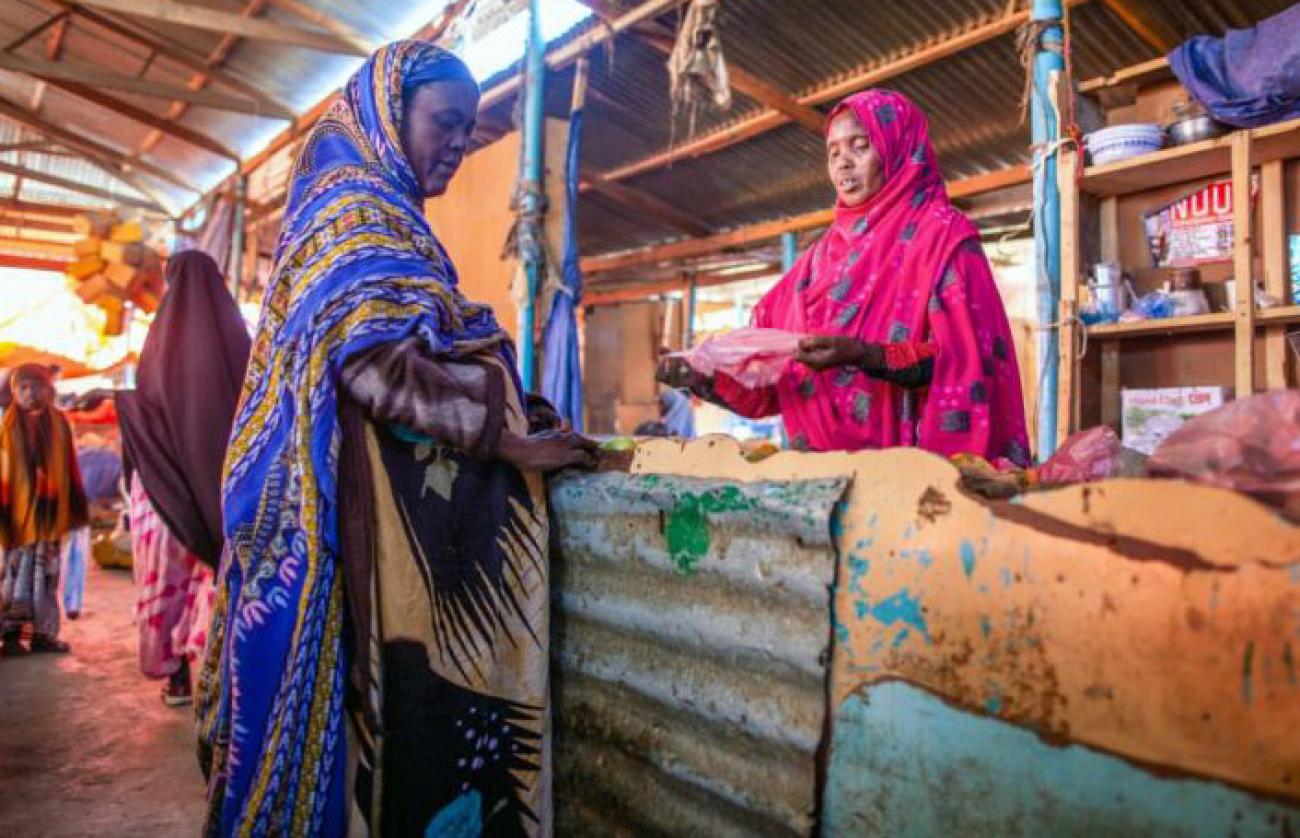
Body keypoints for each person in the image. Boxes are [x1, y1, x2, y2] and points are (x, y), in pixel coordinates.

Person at [199, 41, 596, 837]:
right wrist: (508, 442)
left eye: (469, 131)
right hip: (327, 514)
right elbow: (371, 362)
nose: (457, 145)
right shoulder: (356, 213)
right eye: (445, 124)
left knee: (350, 727)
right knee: (348, 718)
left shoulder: (384, 217)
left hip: (345, 509)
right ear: (388, 114)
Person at [658, 90, 1030, 464]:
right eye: (833, 152)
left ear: (898, 149)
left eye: (860, 146)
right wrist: (701, 375)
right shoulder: (815, 264)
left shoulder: (942, 237)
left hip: (917, 482)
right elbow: (773, 388)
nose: (843, 163)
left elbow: (967, 362)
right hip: (822, 485)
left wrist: (864, 355)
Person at [108, 250, 250, 705]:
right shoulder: (237, 335)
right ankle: (225, 672)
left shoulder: (162, 338)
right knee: (216, 576)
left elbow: (147, 405)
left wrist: (119, 404)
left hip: (167, 487)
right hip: (224, 485)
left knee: (168, 579)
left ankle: (177, 677)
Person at [0, 364, 88, 655]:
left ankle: (43, 635)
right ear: (13, 391)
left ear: (48, 389)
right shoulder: (8, 426)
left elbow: (69, 467)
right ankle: (10, 637)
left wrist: (74, 507)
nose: (28, 393)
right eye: (21, 387)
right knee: (14, 577)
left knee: (47, 576)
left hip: (49, 517)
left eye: (34, 386)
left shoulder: (60, 423)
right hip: (18, 519)